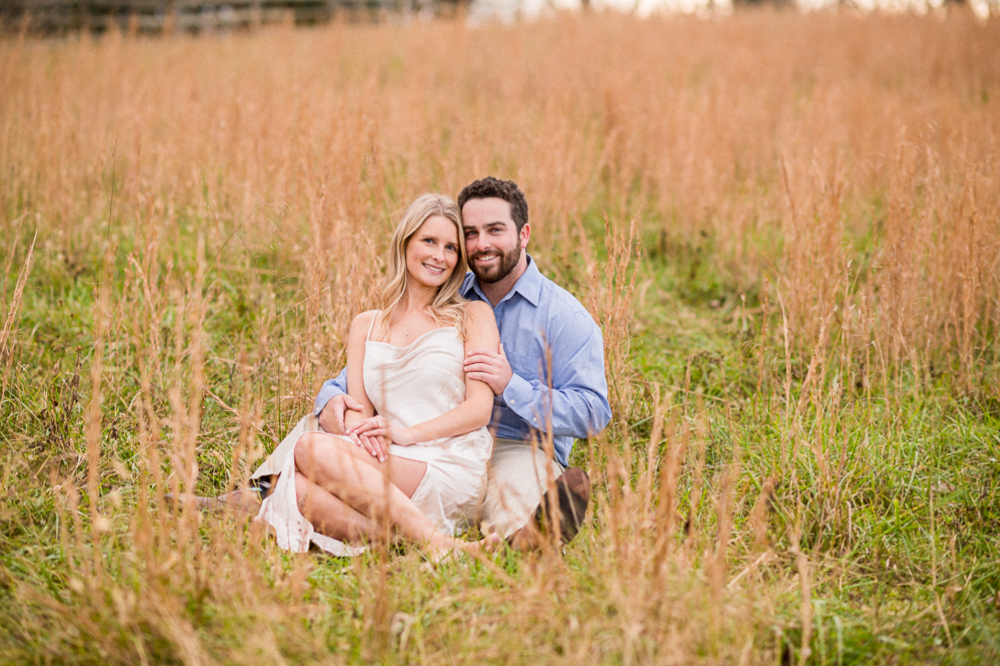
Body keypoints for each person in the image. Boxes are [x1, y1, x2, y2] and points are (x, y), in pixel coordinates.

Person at [316, 177, 611, 548]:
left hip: (516, 444)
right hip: (434, 436)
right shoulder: (446, 295)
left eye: (495, 230)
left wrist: (512, 386)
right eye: (471, 233)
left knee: (514, 502)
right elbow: (385, 367)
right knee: (317, 447)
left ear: (524, 235)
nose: (482, 244)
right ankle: (259, 495)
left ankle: (524, 539)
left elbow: (594, 413)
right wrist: (329, 398)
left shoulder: (563, 316)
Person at [246, 193, 499, 558]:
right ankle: (423, 542)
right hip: (386, 461)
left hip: (448, 462)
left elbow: (479, 409)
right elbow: (362, 419)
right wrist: (343, 413)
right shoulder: (366, 325)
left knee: (306, 448)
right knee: (295, 489)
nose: (439, 257)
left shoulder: (473, 316)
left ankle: (435, 542)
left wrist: (408, 434)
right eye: (429, 241)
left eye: (451, 248)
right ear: (406, 241)